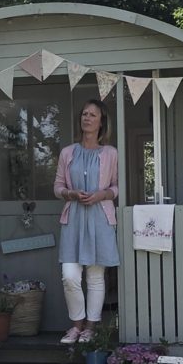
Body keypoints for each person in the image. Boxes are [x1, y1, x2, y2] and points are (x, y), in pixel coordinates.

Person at [54, 98, 120, 344]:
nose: (87, 118)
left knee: (94, 278)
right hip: (74, 219)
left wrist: (102, 194)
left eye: (92, 115)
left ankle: (90, 328)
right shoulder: (67, 153)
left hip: (100, 218)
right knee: (69, 275)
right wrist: (70, 194)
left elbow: (117, 187)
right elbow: (57, 186)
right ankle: (76, 325)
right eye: (84, 114)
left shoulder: (111, 153)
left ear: (101, 122)